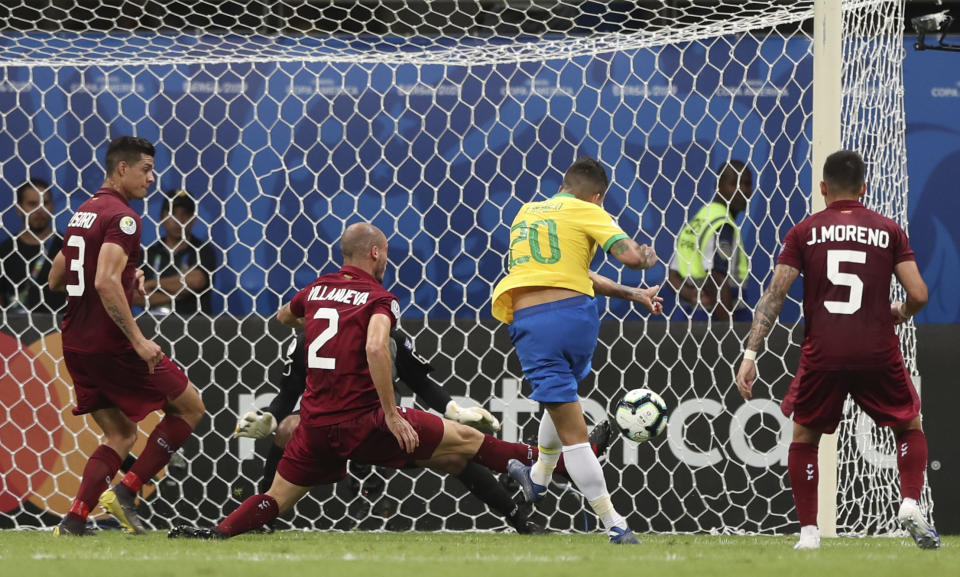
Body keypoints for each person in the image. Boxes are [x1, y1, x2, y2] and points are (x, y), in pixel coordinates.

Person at [169, 223, 599, 539]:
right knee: (468, 439)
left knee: (277, 498)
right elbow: (377, 347)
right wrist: (392, 413)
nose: (387, 260)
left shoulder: (317, 289)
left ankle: (217, 532)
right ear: (375, 253)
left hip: (318, 428)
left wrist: (309, 319)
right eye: (387, 253)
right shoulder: (380, 299)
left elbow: (284, 315)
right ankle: (566, 462)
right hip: (366, 421)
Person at [734, 150, 939, 551]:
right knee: (908, 425)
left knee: (805, 438)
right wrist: (900, 310)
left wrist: (751, 353)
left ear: (823, 187)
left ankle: (809, 533)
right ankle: (911, 502)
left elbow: (774, 296)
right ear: (864, 188)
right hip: (877, 348)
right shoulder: (888, 230)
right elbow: (919, 293)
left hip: (824, 350)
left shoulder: (803, 231)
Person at [234, 329, 616, 534]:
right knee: (286, 427)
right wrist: (270, 418)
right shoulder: (310, 339)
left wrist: (452, 408)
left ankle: (520, 518)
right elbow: (287, 393)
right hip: (336, 431)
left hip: (377, 428)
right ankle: (266, 515)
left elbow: (420, 382)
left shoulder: (389, 338)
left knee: (455, 455)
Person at [492, 156, 662, 545]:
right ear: (597, 195)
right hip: (577, 320)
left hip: (535, 321)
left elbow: (563, 269)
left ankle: (614, 523)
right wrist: (644, 264)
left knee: (575, 434)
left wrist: (631, 289)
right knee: (564, 399)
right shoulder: (588, 211)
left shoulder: (526, 213)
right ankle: (538, 478)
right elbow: (630, 256)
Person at [47, 136, 206, 536]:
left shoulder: (83, 213)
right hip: (110, 344)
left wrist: (126, 287)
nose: (152, 179)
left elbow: (55, 279)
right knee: (190, 406)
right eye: (146, 170)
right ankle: (128, 492)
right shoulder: (124, 218)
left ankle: (75, 518)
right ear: (122, 169)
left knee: (120, 433)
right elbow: (102, 281)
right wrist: (138, 339)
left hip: (76, 343)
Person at [667, 161, 753, 321]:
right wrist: (728, 331)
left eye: (747, 184)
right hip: (714, 318)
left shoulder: (700, 219)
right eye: (734, 184)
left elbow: (671, 276)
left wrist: (691, 295)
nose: (742, 190)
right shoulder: (721, 224)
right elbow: (716, 279)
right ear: (718, 186)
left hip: (689, 316)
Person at [134, 188, 217, 315]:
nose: (179, 219)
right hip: (153, 329)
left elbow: (196, 281)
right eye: (173, 212)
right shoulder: (147, 253)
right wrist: (178, 295)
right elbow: (134, 295)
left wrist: (153, 284)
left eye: (185, 213)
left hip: (194, 329)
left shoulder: (203, 250)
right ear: (161, 216)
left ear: (194, 219)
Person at [0, 178, 66, 314]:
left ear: (52, 207)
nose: (40, 210)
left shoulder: (67, 248)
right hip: (15, 332)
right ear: (18, 208)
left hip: (59, 332)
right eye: (32, 204)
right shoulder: (5, 251)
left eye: (45, 203)